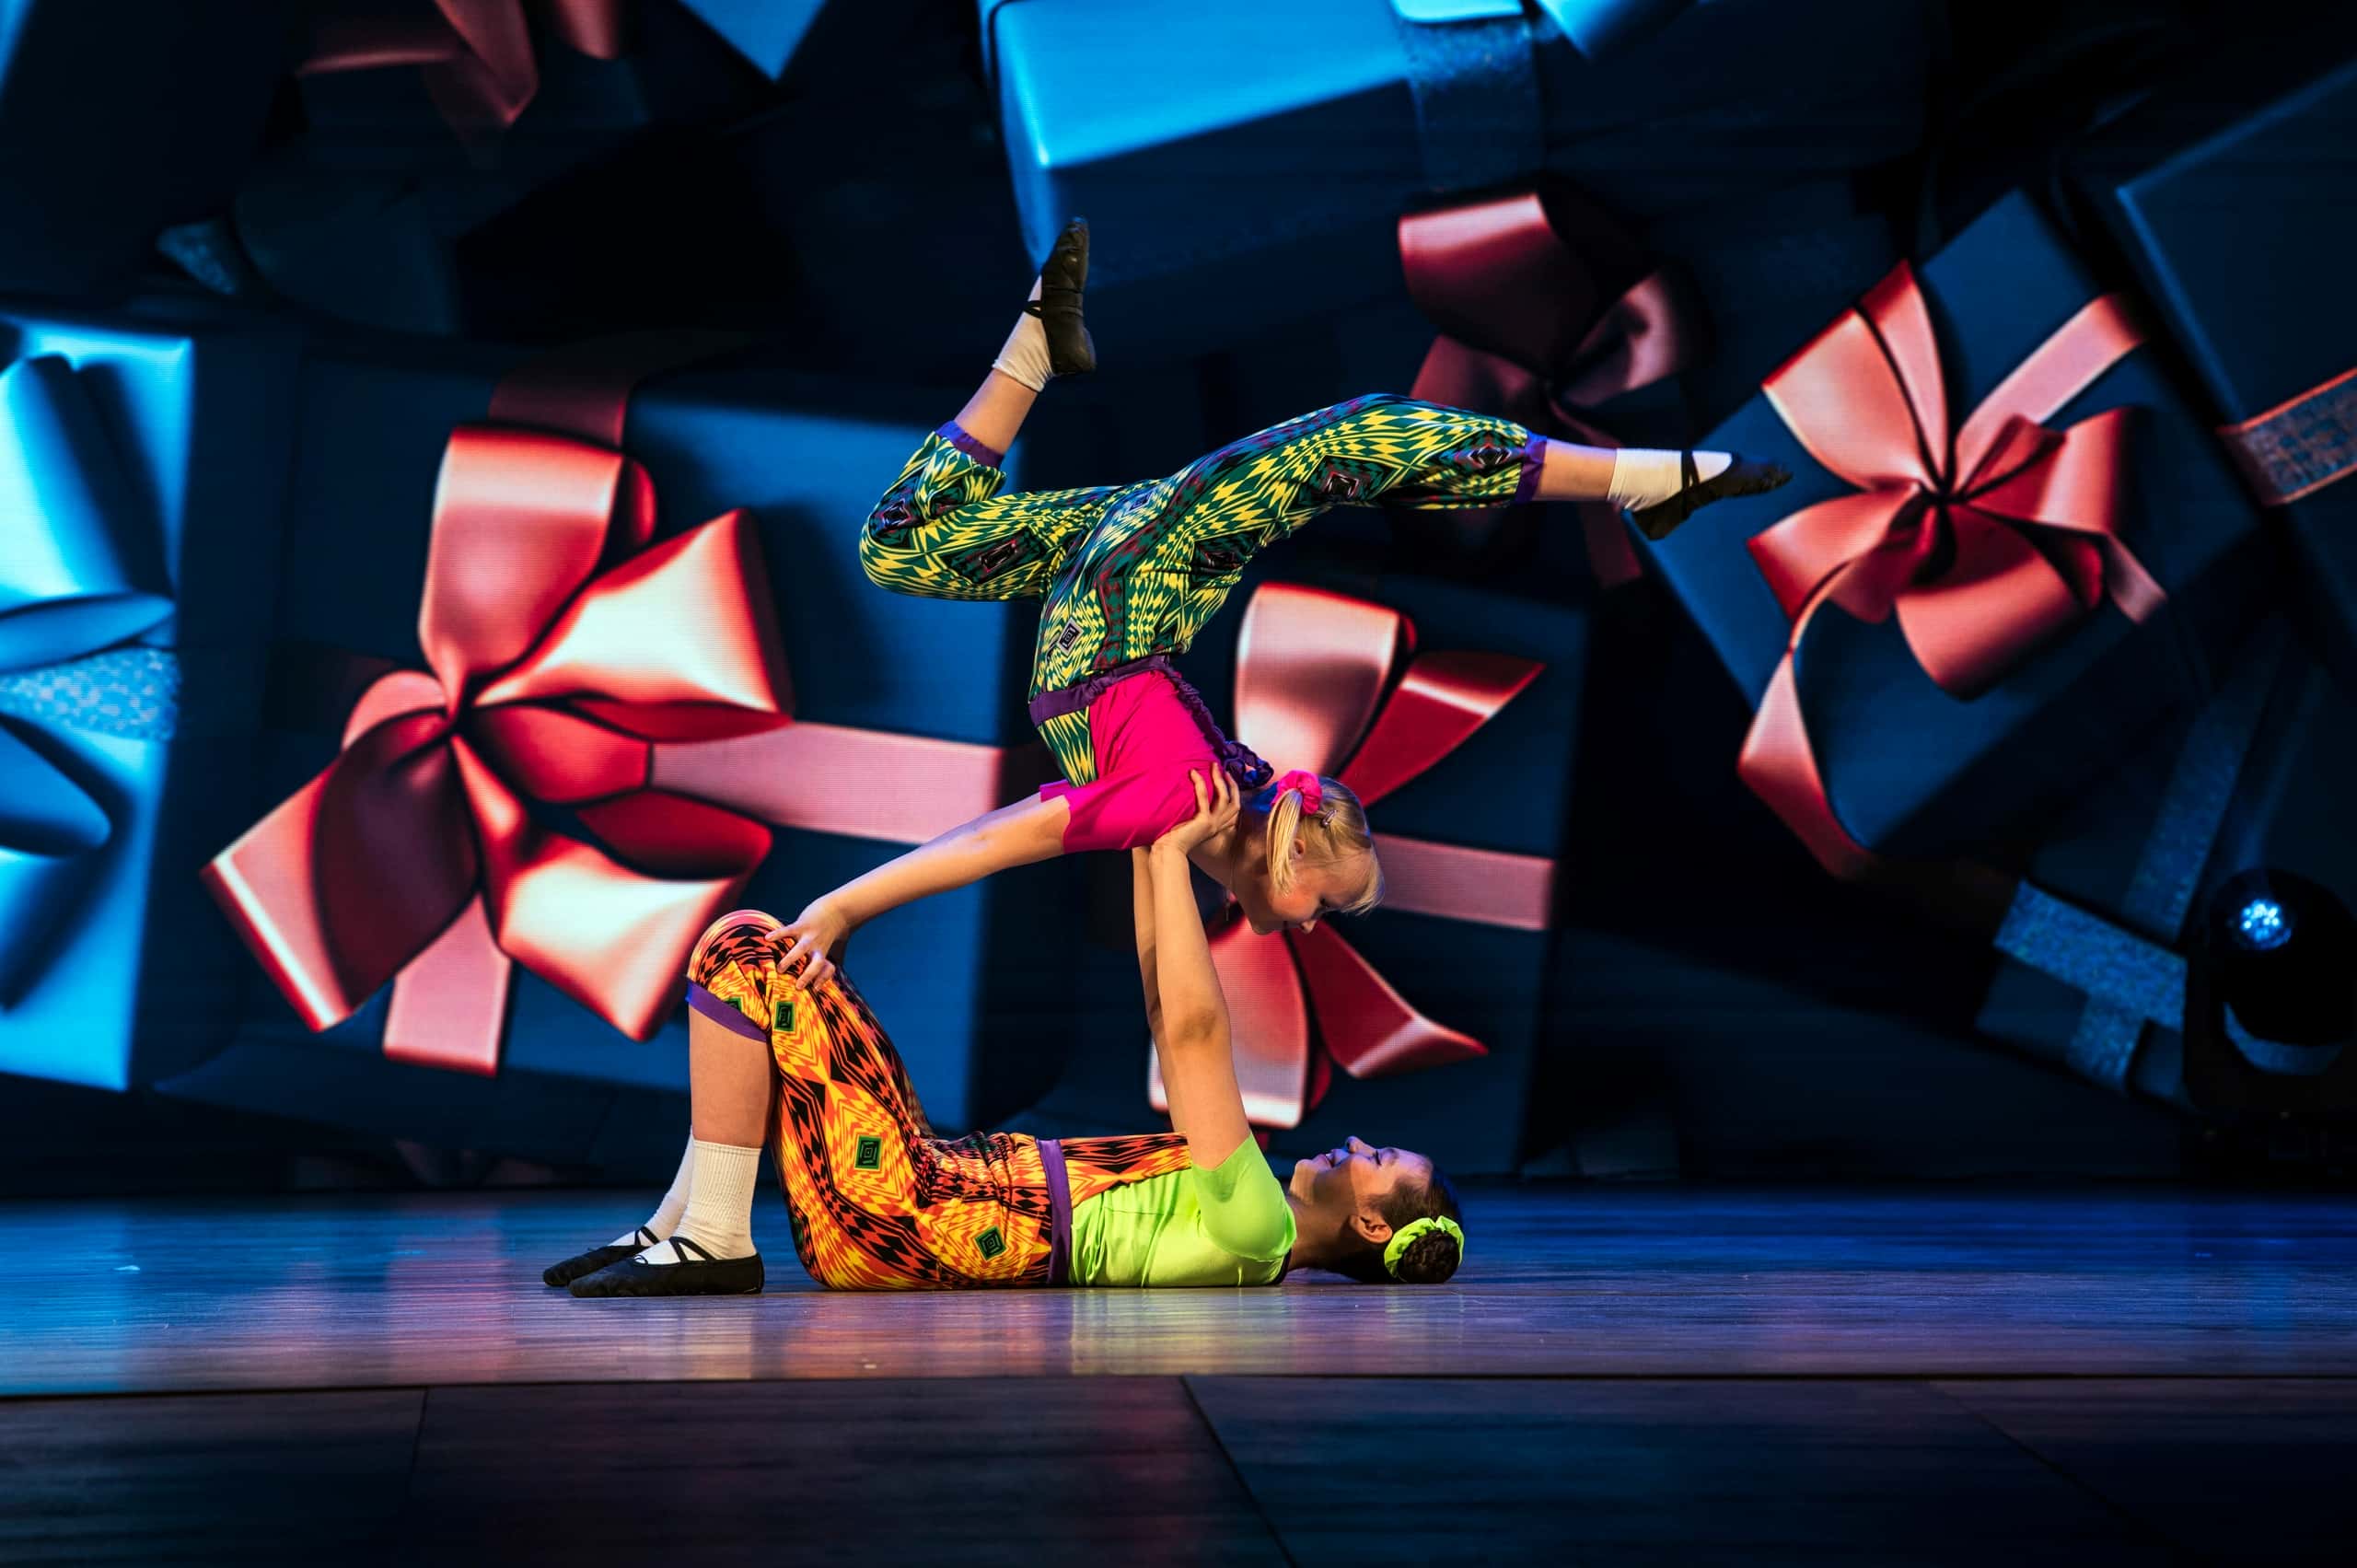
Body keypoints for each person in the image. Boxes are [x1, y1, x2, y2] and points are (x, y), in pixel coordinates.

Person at [764, 216, 1789, 992]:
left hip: (1122, 590)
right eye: (1321, 905)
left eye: (1321, 907)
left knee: (901, 546)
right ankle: (1639, 480)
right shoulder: (1214, 798)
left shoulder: (1182, 808)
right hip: (1139, 586)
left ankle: (1034, 352)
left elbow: (999, 838)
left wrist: (843, 906)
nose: (1310, 923)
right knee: (1344, 445)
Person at [548, 768, 1467, 1295]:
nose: (1357, 1143)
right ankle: (683, 1222)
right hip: (925, 1190)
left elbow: (1189, 1030)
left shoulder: (1260, 1226)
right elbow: (1164, 1003)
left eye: (1379, 1157)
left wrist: (1171, 850)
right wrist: (1152, 845)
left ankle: (714, 1237)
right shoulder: (1252, 1216)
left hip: (912, 1212)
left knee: (750, 949)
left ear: (1370, 1220)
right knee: (749, 962)